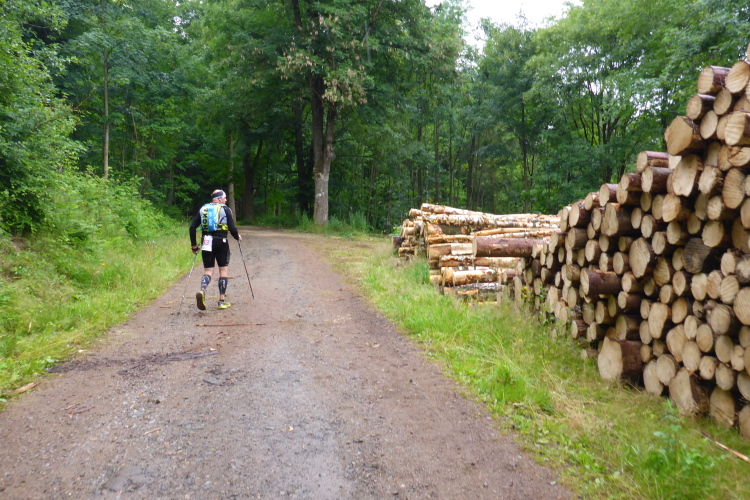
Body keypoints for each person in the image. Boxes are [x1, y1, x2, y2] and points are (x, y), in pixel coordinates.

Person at [189, 189, 242, 310]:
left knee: (208, 270)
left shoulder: (203, 209)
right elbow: (232, 228)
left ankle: (202, 290)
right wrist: (237, 237)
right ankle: (221, 301)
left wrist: (194, 245)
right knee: (223, 270)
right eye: (224, 197)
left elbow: (192, 227)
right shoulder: (225, 209)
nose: (226, 200)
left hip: (206, 241)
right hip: (221, 241)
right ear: (219, 198)